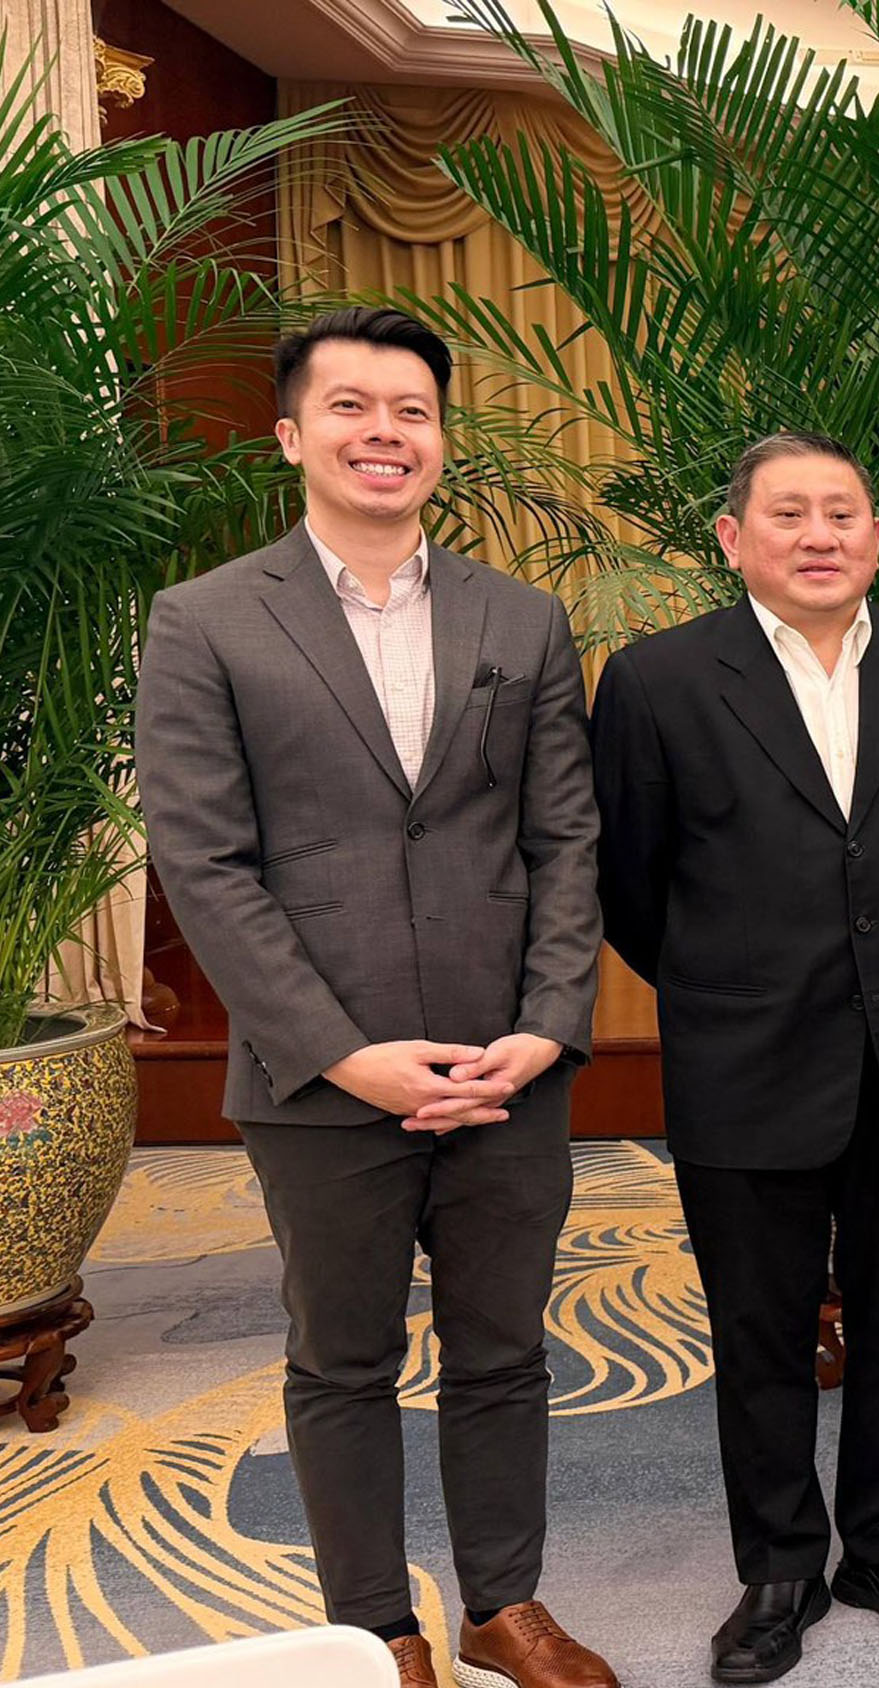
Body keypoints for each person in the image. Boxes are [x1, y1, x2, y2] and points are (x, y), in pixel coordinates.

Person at [136, 307, 614, 1688]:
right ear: (294, 435)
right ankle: (377, 1631)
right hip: (319, 1079)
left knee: (503, 1352)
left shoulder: (519, 620)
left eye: (411, 411)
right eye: (352, 409)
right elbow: (207, 865)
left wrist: (546, 1024)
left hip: (506, 1066)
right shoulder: (208, 620)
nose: (384, 433)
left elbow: (564, 840)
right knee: (342, 1362)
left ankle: (501, 1607)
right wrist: (344, 1055)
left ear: (442, 442)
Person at [591, 432, 879, 1681]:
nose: (819, 533)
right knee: (758, 1326)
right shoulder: (659, 679)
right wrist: (741, 984)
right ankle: (778, 1561)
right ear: (733, 538)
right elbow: (631, 887)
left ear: (877, 535)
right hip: (744, 1053)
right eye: (789, 513)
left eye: (843, 511)